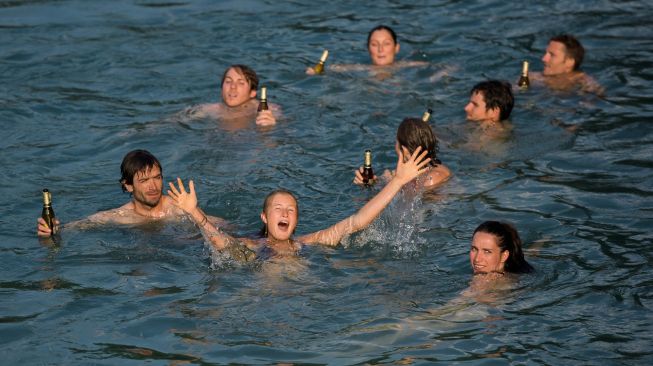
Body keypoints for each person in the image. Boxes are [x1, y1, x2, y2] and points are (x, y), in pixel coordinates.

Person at [167, 146, 431, 260]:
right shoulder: (252, 247)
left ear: (296, 220)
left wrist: (397, 182)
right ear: (264, 218)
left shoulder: (308, 243)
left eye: (291, 210)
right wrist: (194, 212)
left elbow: (357, 221)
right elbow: (220, 242)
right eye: (278, 209)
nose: (285, 213)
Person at [36, 149, 224, 236]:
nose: (153, 186)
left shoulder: (178, 208)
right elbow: (80, 226)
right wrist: (53, 229)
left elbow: (222, 228)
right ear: (128, 185)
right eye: (143, 181)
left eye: (157, 178)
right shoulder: (121, 216)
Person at [353, 117, 451, 190]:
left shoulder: (430, 179)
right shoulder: (436, 168)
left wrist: (389, 183)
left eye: (396, 141)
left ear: (403, 150)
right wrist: (373, 183)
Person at [305, 25, 428, 75]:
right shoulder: (360, 68)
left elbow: (441, 67)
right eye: (375, 44)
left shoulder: (407, 66)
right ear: (368, 48)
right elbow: (332, 68)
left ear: (396, 48)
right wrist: (315, 71)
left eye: (386, 44)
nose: (380, 49)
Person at [191, 64, 280, 126]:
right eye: (228, 81)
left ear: (252, 93)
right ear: (222, 88)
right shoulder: (209, 110)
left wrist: (269, 128)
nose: (233, 86)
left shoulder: (268, 111)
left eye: (241, 83)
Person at [531, 34, 603, 95]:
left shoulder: (583, 80)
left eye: (552, 55)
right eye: (546, 53)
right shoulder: (532, 77)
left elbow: (595, 96)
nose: (543, 59)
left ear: (569, 62)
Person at [469, 220, 534, 277]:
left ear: (504, 256)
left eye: (487, 251)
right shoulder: (518, 269)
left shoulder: (485, 282)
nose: (477, 259)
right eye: (474, 249)